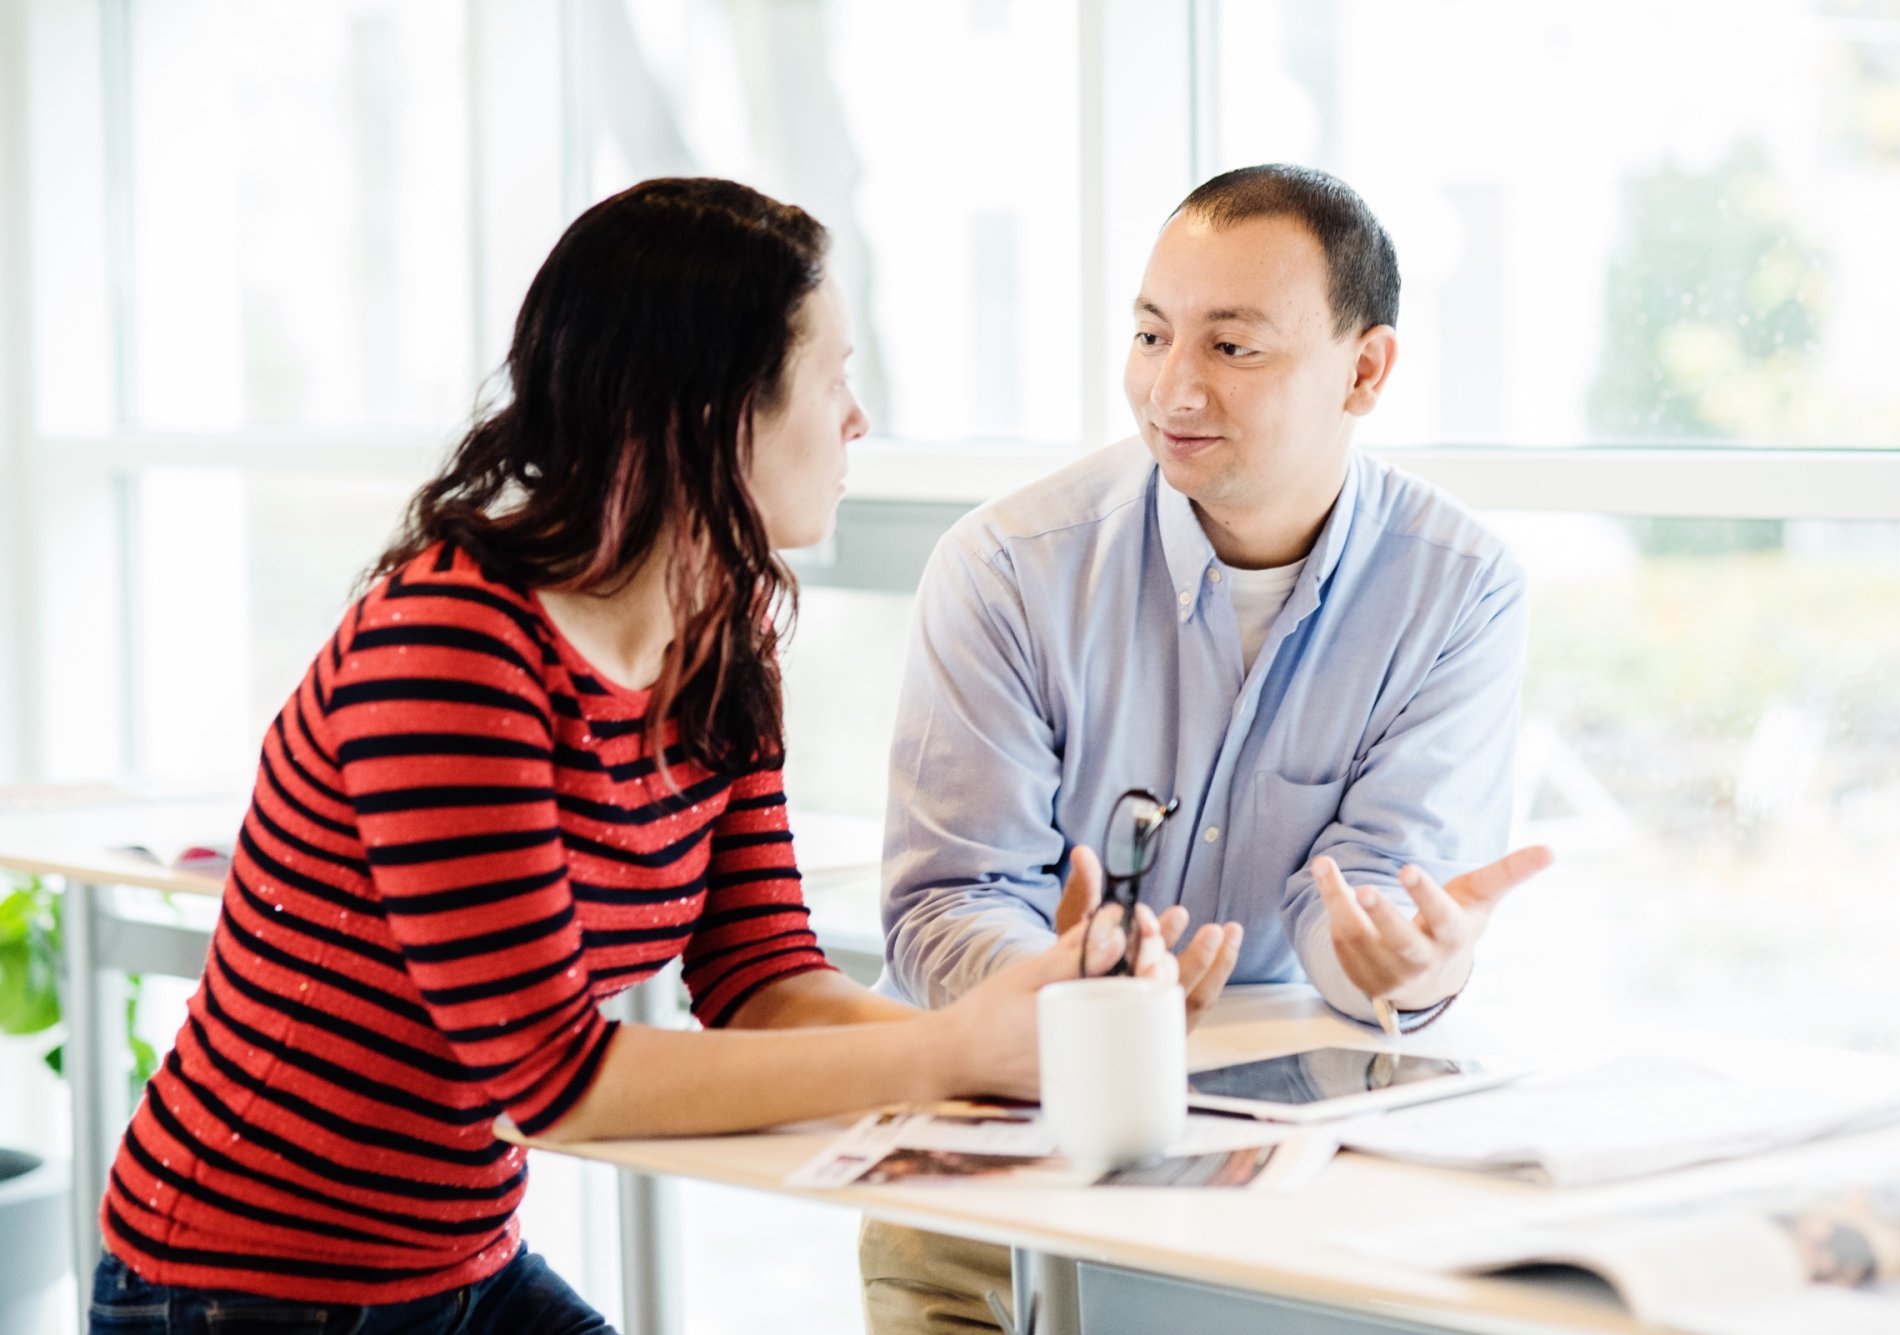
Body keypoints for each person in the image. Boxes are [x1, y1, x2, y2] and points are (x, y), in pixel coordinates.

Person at [88, 177, 1170, 1334]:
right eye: (832, 377)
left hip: (455, 1264)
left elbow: (759, 981)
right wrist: (951, 1051)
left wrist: (1032, 1034)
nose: (857, 418)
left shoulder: (722, 631)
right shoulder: (450, 648)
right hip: (240, 1286)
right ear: (712, 412)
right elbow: (558, 1083)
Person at [861, 164, 1554, 1332]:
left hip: (1282, 1213)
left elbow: (1372, 903)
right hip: (1000, 1175)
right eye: (1148, 334)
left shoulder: (1458, 590)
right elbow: (942, 908)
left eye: (1232, 348)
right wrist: (1065, 989)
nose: (1170, 387)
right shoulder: (1005, 569)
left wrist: (1402, 963)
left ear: (1365, 368)